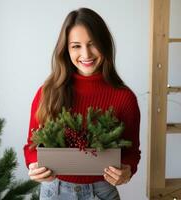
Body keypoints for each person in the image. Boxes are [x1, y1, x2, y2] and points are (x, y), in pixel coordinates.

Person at [23, 7, 141, 200]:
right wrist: (34, 165)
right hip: (54, 191)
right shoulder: (48, 92)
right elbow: (31, 146)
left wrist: (127, 171)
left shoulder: (124, 98)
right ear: (66, 49)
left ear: (104, 45)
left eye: (92, 44)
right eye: (76, 46)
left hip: (102, 192)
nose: (86, 54)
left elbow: (131, 152)